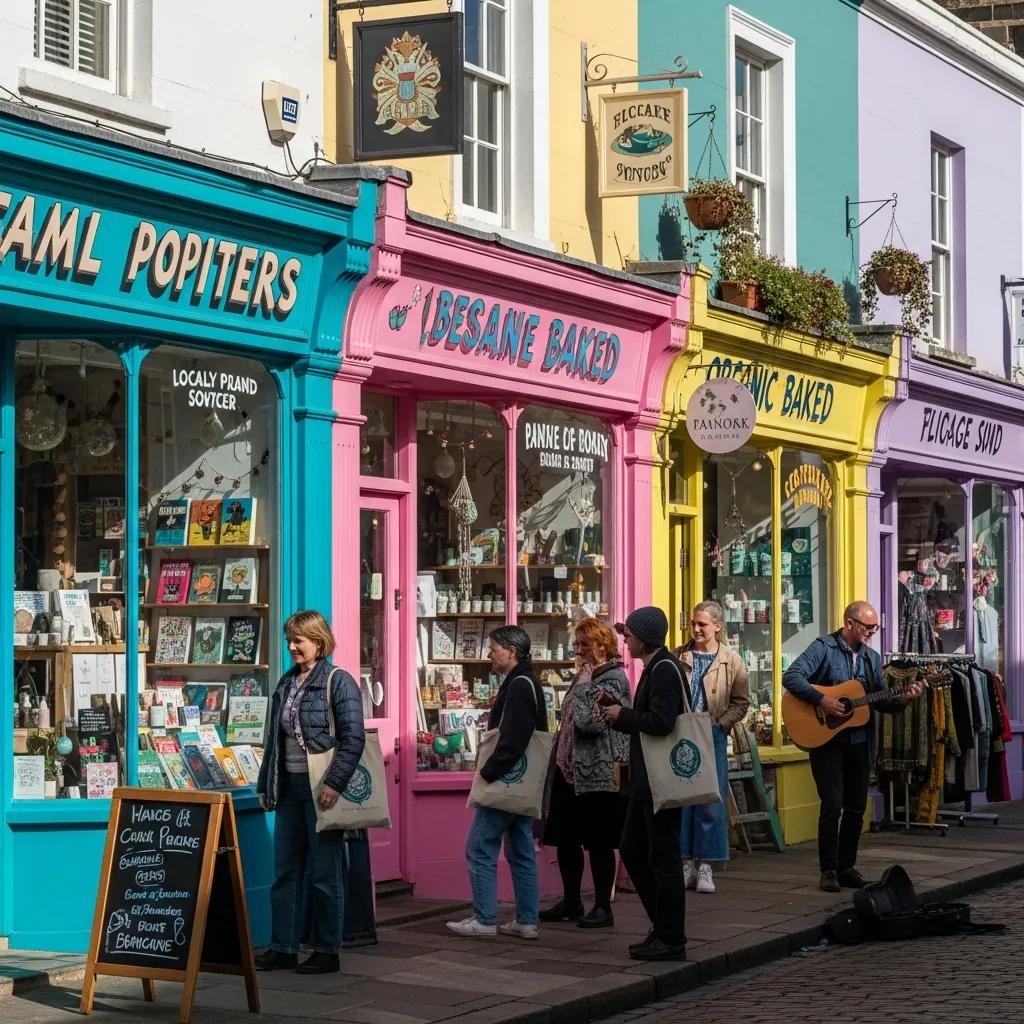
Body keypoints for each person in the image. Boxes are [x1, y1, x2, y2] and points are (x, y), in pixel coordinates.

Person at [782, 601, 923, 893]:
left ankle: (847, 867)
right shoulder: (823, 647)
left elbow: (878, 701)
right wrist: (822, 700)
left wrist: (905, 699)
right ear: (849, 623)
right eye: (867, 627)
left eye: (875, 627)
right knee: (832, 805)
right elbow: (791, 676)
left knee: (857, 807)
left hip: (859, 743)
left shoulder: (871, 658)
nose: (872, 632)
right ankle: (828, 871)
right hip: (826, 741)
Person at [255, 610, 365, 974]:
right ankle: (283, 946)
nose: (291, 647)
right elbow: (274, 740)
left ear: (318, 641)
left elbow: (353, 739)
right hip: (289, 789)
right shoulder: (286, 683)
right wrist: (265, 785)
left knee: (324, 874)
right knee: (285, 872)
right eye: (289, 640)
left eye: (298, 641)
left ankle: (326, 950)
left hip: (321, 789)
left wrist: (334, 783)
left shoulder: (339, 681)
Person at [447, 625, 548, 939]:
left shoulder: (519, 684)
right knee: (520, 849)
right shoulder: (527, 681)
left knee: (479, 846)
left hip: (506, 781)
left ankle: (485, 918)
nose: (488, 654)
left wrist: (489, 771)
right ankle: (527, 920)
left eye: (493, 649)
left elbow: (515, 737)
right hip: (521, 785)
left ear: (512, 651)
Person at [598, 606, 687, 962]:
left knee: (664, 859)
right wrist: (619, 709)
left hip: (660, 781)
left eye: (629, 634)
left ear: (645, 637)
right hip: (645, 780)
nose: (625, 639)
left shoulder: (664, 669)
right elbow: (647, 718)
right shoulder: (655, 667)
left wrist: (625, 715)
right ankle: (661, 928)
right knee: (633, 850)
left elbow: (663, 722)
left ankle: (671, 937)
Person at [539, 617, 631, 928]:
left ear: (603, 646)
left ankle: (603, 906)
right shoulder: (586, 676)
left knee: (599, 842)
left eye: (584, 644)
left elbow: (590, 723)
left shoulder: (614, 679)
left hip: (597, 774)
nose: (578, 650)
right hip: (569, 773)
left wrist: (582, 687)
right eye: (576, 644)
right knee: (567, 839)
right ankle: (572, 900)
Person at [674, 600, 749, 895]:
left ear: (717, 626)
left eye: (702, 624)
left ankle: (706, 864)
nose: (696, 629)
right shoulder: (679, 656)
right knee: (682, 799)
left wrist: (720, 725)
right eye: (693, 623)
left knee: (710, 800)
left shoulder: (732, 660)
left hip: (713, 733)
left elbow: (741, 703)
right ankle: (686, 862)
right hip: (683, 733)